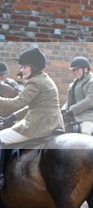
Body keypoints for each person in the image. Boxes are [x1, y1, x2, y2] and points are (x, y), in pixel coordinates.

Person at [0, 48, 64, 191]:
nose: (20, 69)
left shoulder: (34, 82)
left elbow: (16, 103)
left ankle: (0, 177)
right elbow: (33, 106)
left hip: (38, 124)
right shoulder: (43, 78)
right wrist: (12, 118)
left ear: (34, 67)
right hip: (48, 120)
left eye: (24, 66)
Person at [62, 56, 93, 135]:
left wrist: (71, 110)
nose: (75, 72)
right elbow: (69, 100)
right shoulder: (73, 84)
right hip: (75, 116)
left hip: (90, 116)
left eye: (77, 69)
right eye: (73, 70)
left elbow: (89, 101)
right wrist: (63, 110)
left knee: (85, 133)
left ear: (85, 69)